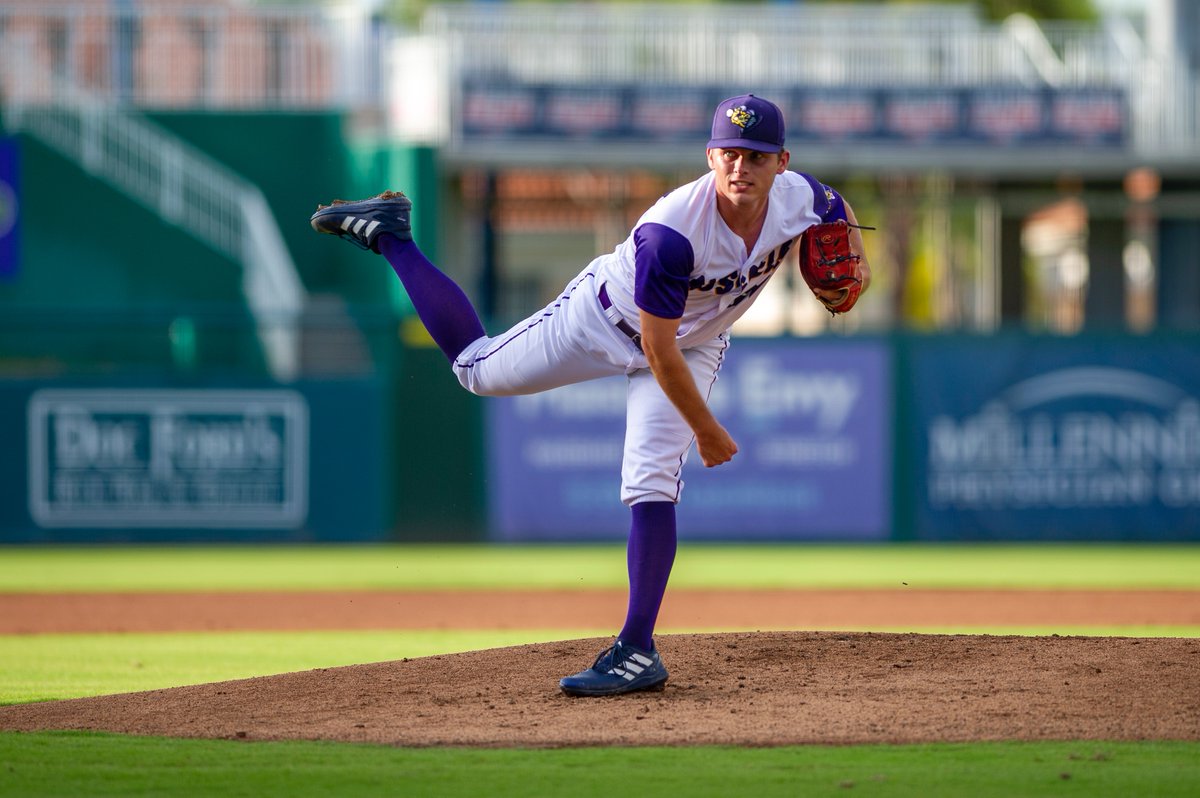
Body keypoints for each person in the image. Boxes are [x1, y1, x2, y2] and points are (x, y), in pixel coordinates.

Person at [310, 94, 871, 697]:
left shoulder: (802, 198)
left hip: (698, 339)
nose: (741, 167)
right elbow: (656, 348)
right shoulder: (672, 232)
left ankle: (637, 649)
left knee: (651, 480)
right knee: (477, 370)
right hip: (604, 320)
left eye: (756, 156)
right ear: (710, 155)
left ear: (782, 162)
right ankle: (393, 237)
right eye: (729, 154)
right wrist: (706, 428)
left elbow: (837, 211)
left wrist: (858, 264)